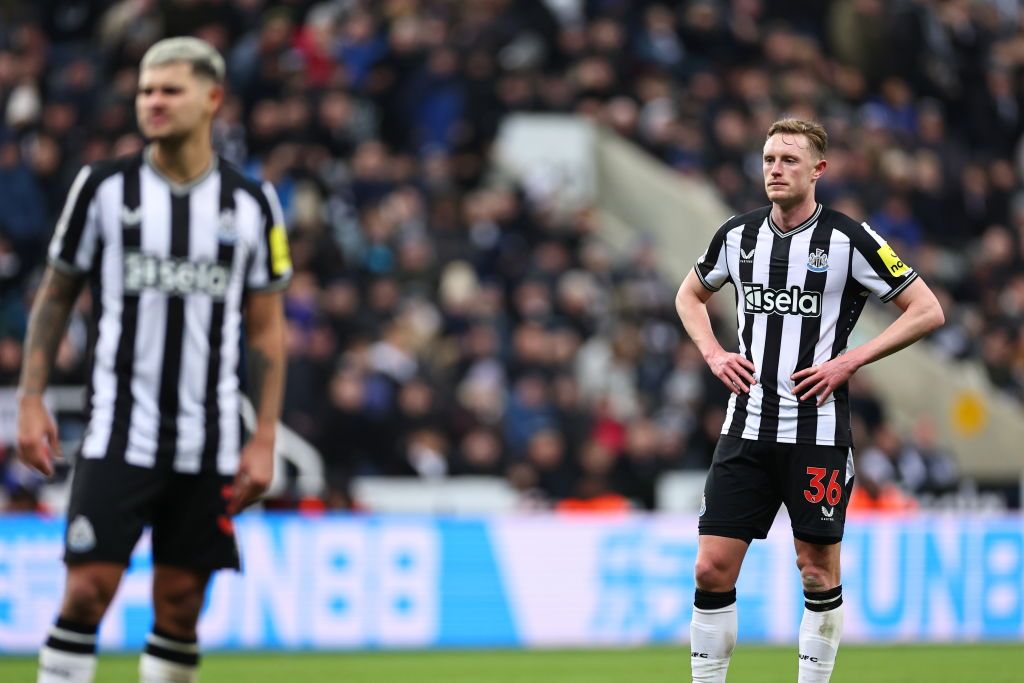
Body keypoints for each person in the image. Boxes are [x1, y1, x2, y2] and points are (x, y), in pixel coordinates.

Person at [15, 37, 290, 683]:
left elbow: (269, 329)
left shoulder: (252, 205)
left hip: (212, 437)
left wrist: (266, 436)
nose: (153, 102)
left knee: (181, 605)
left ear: (212, 98)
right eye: (145, 90)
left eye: (170, 90)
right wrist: (30, 398)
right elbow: (55, 295)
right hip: (118, 429)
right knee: (87, 588)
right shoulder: (103, 188)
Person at [675, 118, 943, 683]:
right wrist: (713, 354)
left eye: (789, 160)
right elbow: (690, 294)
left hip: (817, 432)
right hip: (745, 426)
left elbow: (927, 310)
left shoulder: (851, 240)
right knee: (710, 568)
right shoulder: (737, 235)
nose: (775, 169)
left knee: (817, 573)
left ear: (818, 170)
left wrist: (850, 360)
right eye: (769, 159)